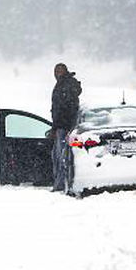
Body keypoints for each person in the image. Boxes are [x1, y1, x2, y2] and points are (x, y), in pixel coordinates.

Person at [49, 63, 82, 192]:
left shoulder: (65, 85)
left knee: (61, 157)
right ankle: (60, 183)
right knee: (58, 156)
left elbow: (63, 109)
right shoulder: (63, 84)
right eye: (56, 71)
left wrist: (58, 127)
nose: (57, 73)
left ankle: (61, 185)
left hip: (64, 127)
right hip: (63, 126)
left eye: (60, 70)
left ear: (65, 71)